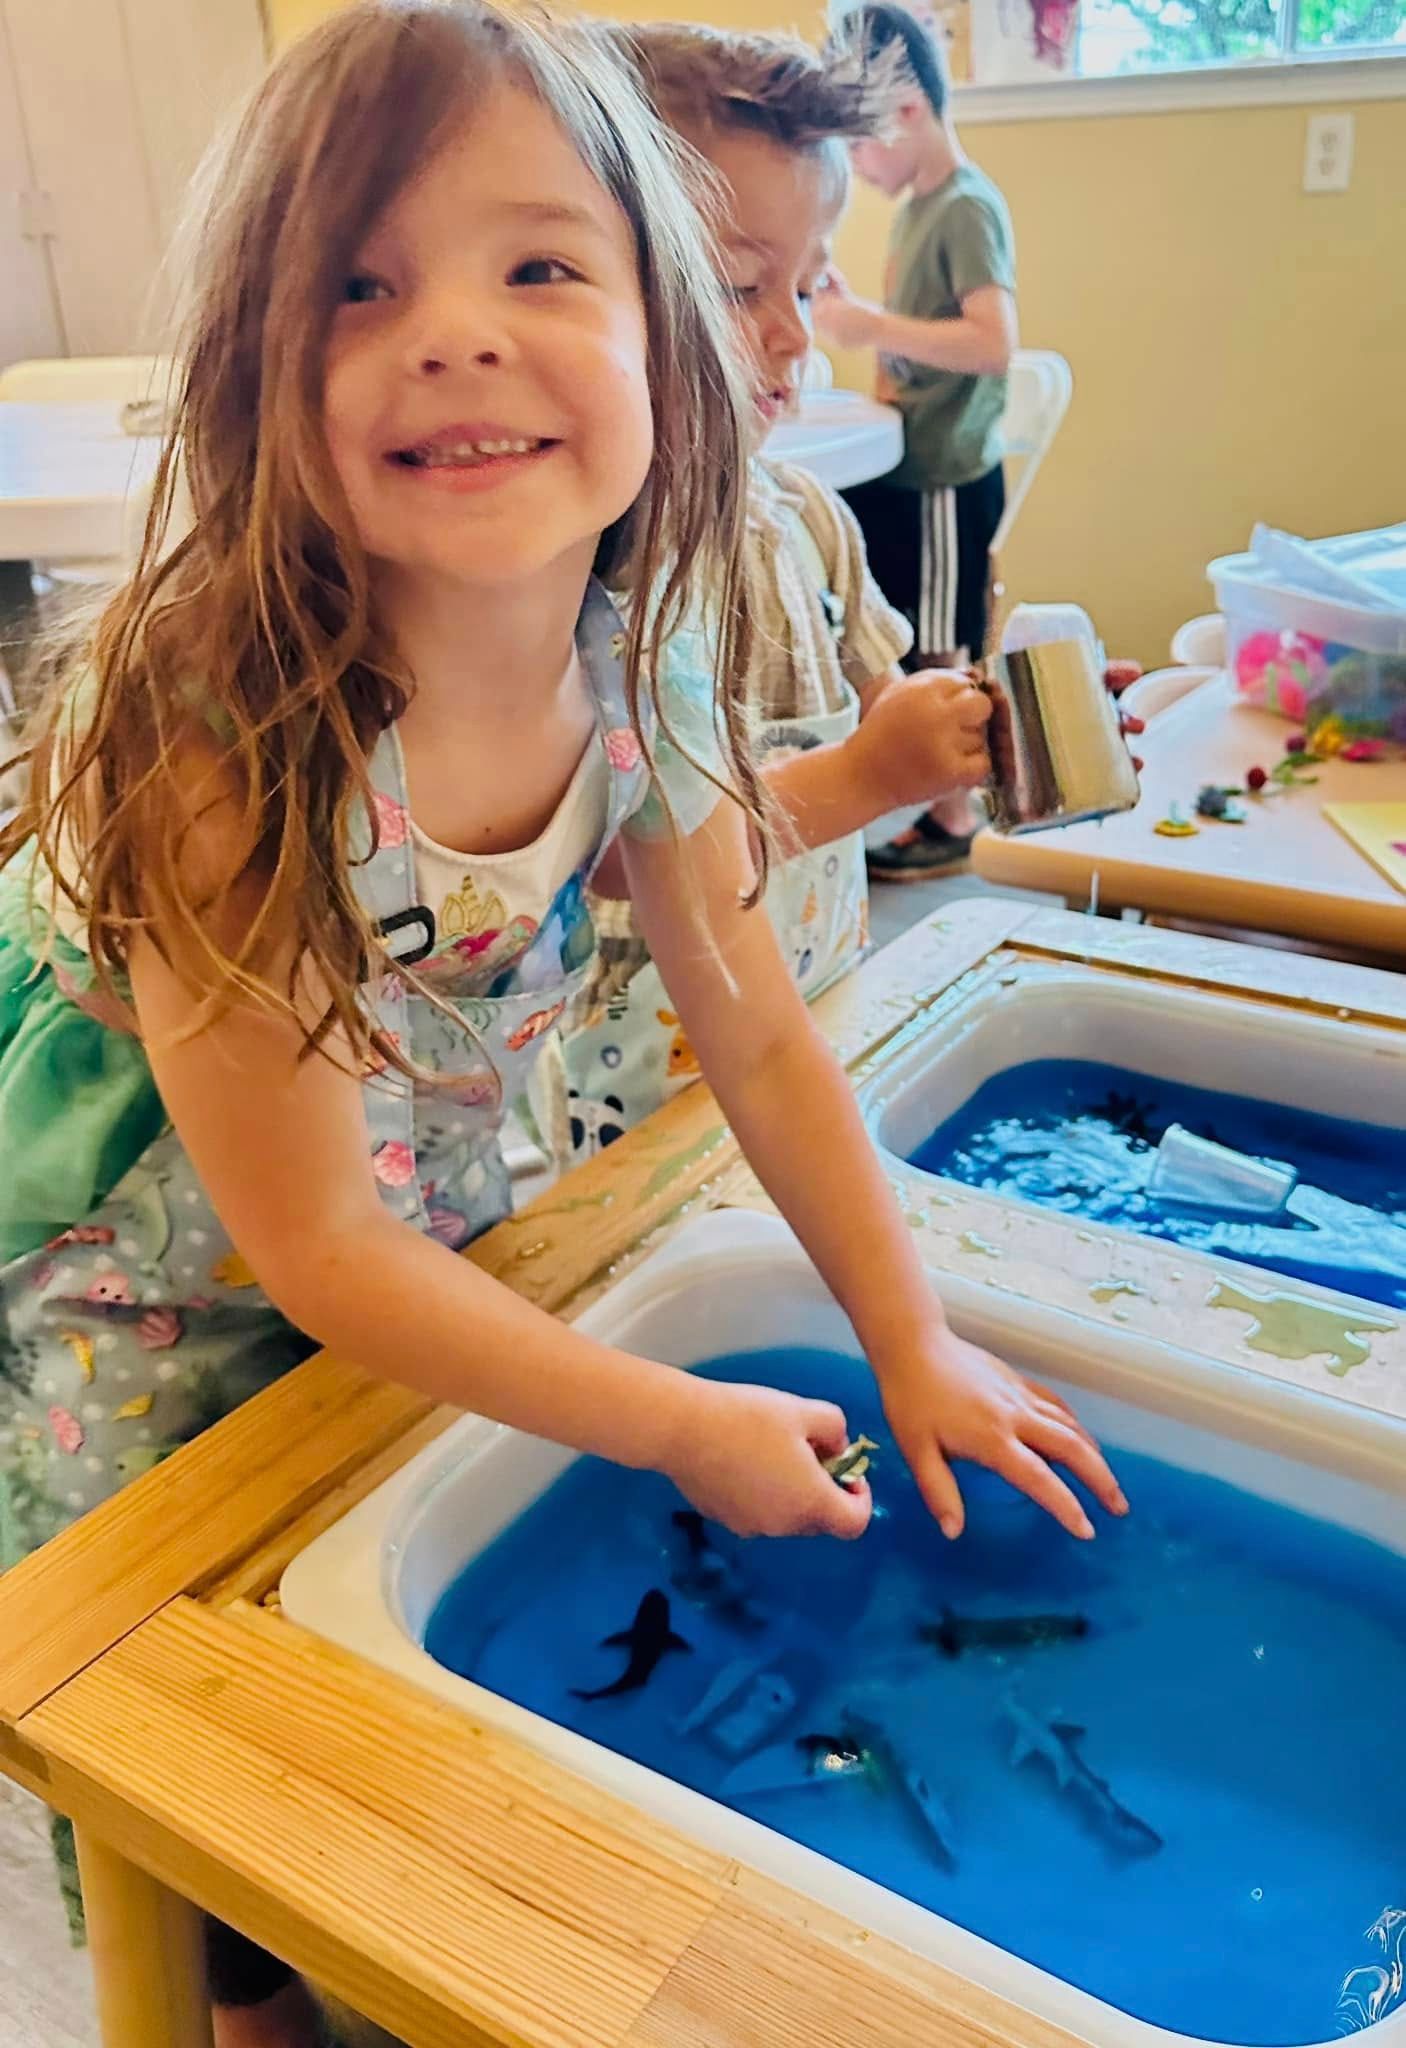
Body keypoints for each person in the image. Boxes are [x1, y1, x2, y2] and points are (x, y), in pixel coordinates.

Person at [0, 4, 1122, 2038]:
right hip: (146, 1277)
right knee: (197, 1758)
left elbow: (758, 1025)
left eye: (539, 267)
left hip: (388, 1204)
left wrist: (911, 1335)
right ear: (261, 373)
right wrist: (684, 1418)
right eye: (361, 285)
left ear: (671, 347)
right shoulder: (218, 729)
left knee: (389, 1647)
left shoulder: (645, 649)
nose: (455, 332)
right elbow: (308, 1246)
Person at [541, 18, 993, 1166]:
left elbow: (890, 704)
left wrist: (982, 734)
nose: (796, 332)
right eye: (742, 286)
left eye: (812, 279)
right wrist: (866, 776)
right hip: (638, 1091)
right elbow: (603, 860)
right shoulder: (573, 569)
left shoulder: (808, 524)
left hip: (812, 1024)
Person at [815, 0, 1018, 881]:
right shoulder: (915, 209)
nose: (856, 168)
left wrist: (868, 326)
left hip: (944, 476)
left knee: (941, 645)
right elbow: (916, 330)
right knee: (906, 630)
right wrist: (864, 318)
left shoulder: (966, 208)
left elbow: (992, 341)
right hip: (912, 467)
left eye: (859, 146)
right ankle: (937, 793)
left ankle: (954, 807)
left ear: (905, 113)